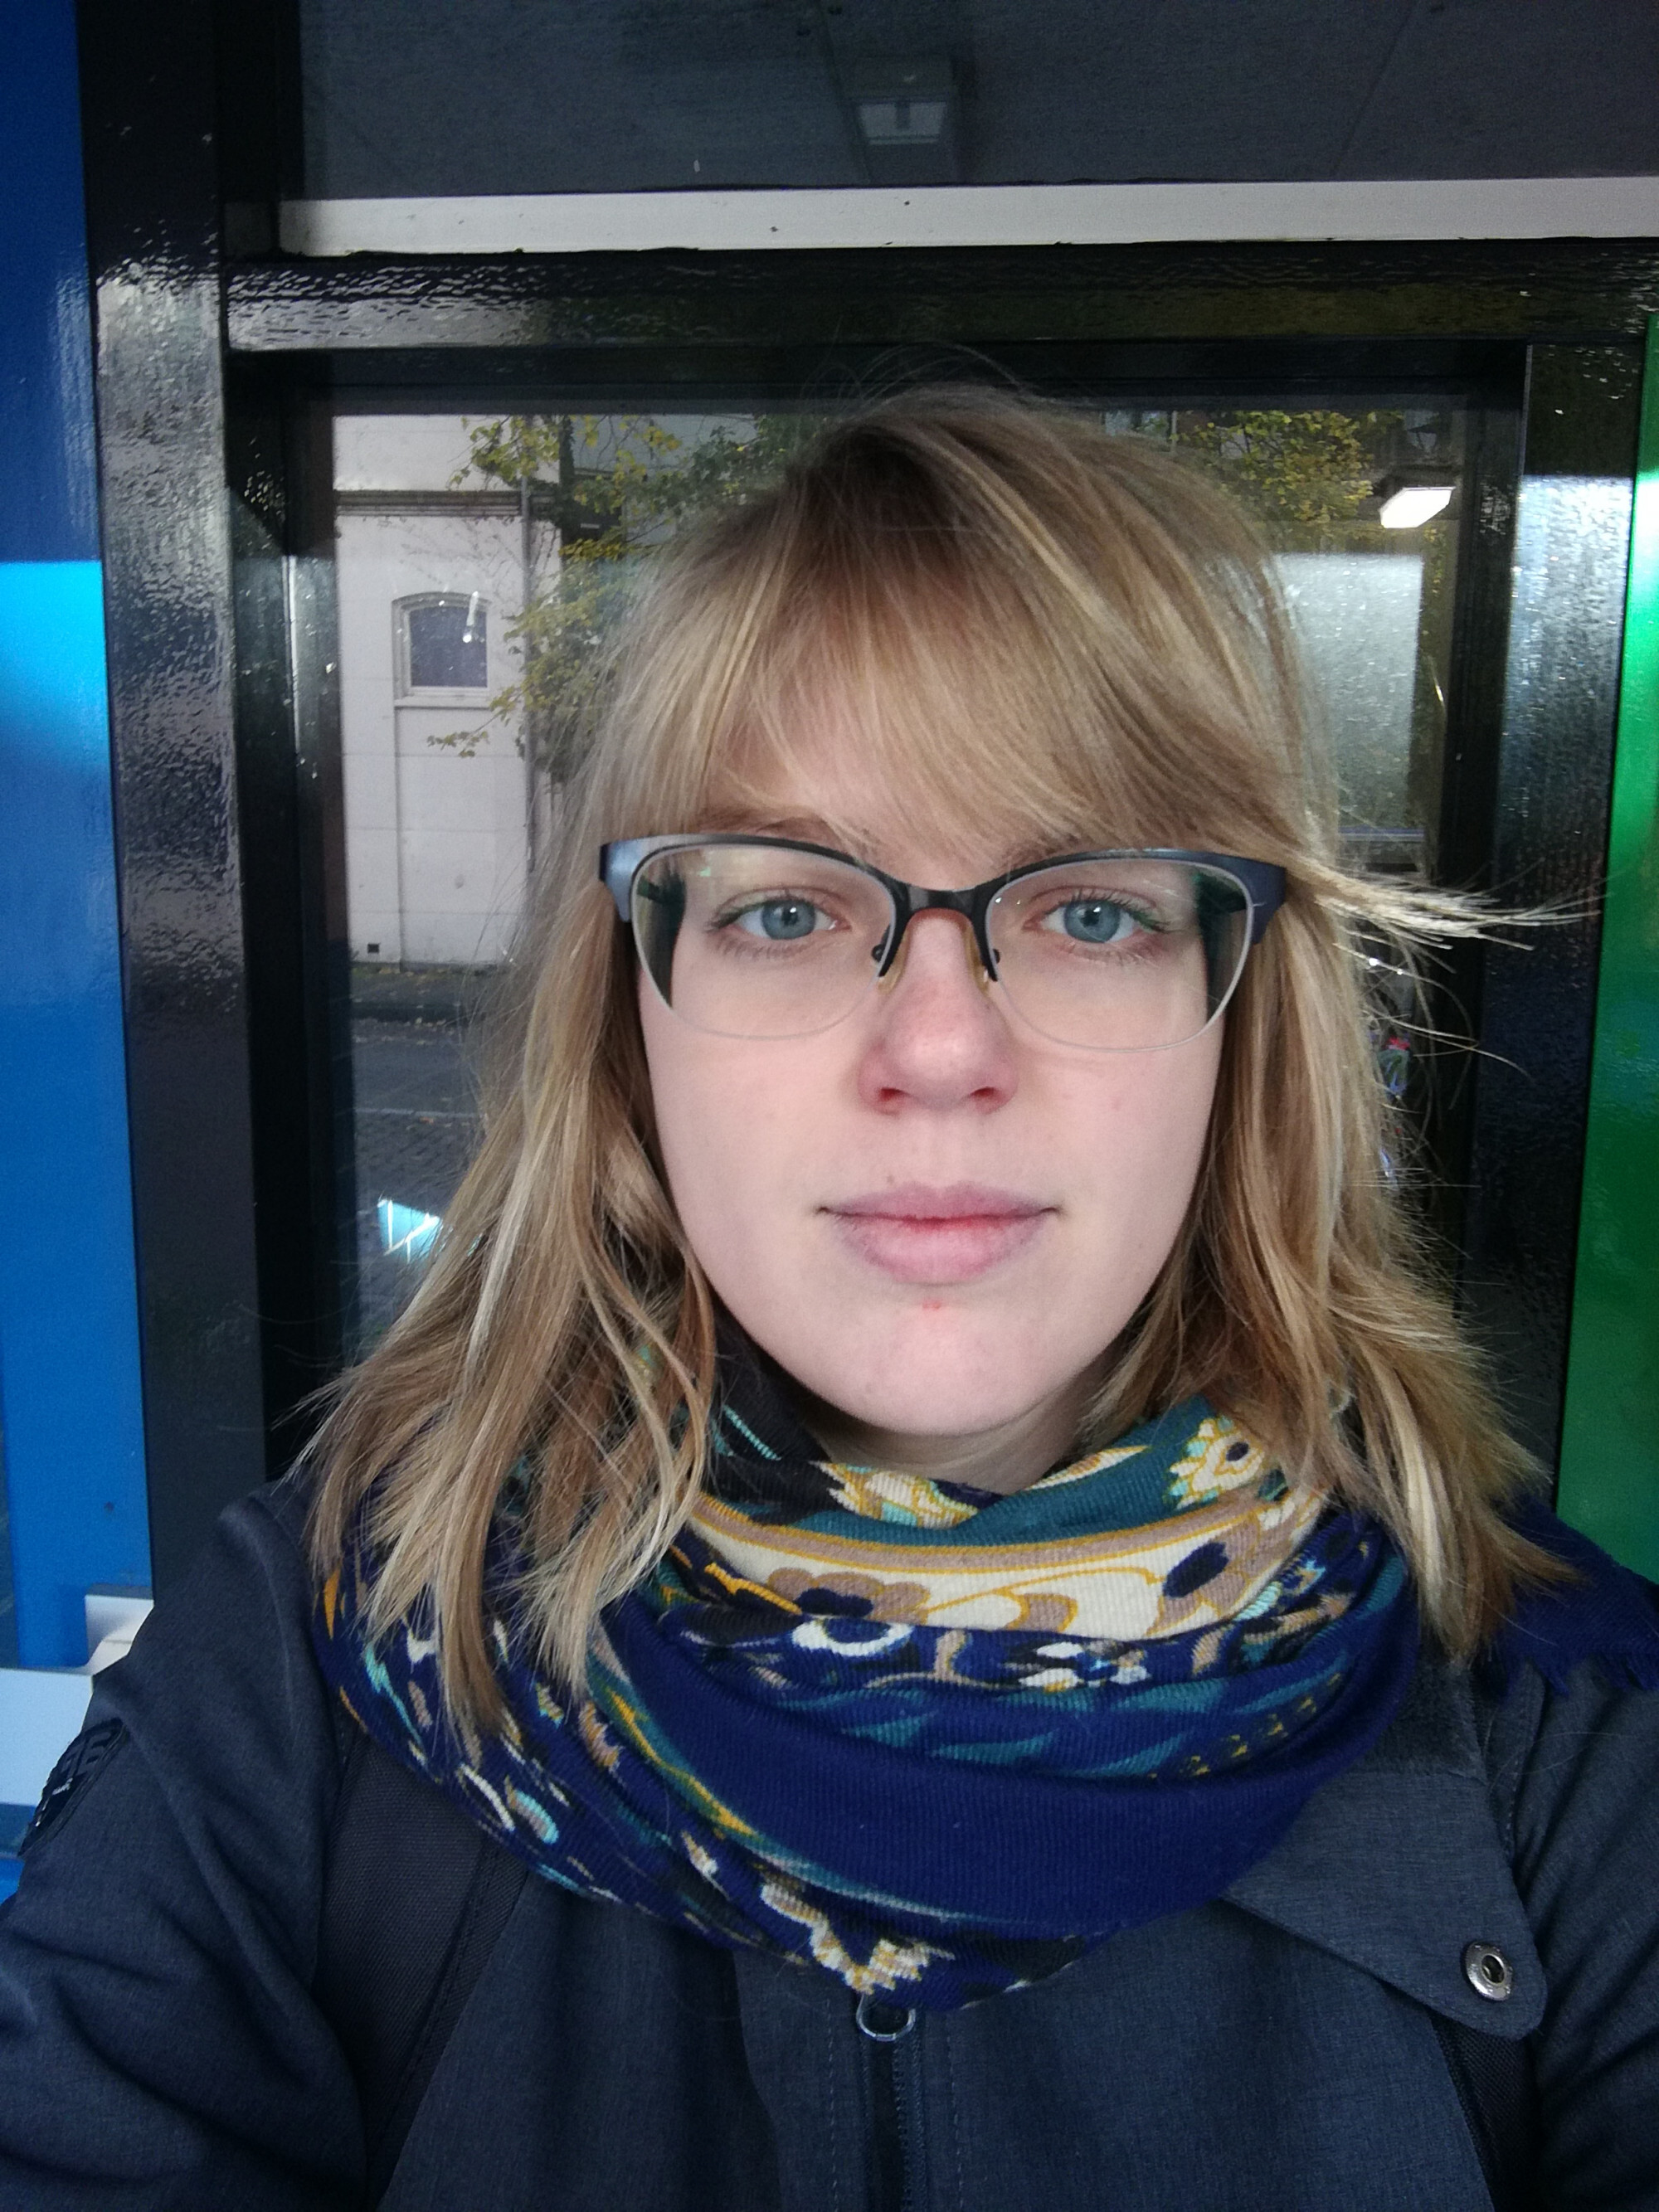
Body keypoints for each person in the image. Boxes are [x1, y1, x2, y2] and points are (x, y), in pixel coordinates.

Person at [2, 393, 1657, 2212]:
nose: (938, 1048)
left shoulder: (1562, 1726)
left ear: (1241, 1019)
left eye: (1091, 909)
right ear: (628, 1023)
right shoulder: (308, 1665)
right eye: (785, 910)